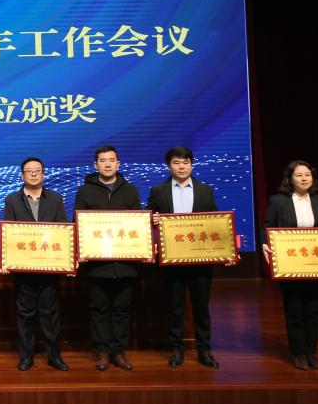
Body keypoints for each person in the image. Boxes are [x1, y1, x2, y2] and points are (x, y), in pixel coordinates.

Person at [262, 160, 318, 370]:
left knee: (314, 309)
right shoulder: (278, 201)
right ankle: (298, 352)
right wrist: (264, 243)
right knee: (294, 309)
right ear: (290, 179)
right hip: (290, 264)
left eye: (308, 175)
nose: (304, 179)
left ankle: (312, 352)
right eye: (299, 175)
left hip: (317, 264)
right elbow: (267, 226)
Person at [146, 146, 222, 369]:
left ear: (191, 164)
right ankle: (177, 350)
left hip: (200, 260)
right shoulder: (158, 191)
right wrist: (153, 219)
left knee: (201, 308)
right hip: (171, 261)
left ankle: (204, 350)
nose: (182, 167)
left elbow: (215, 222)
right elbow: (147, 217)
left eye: (186, 162)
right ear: (169, 166)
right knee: (175, 307)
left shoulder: (205, 190)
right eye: (177, 163)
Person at [73, 145, 142, 371]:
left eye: (111, 160)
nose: (107, 164)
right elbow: (78, 225)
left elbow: (138, 225)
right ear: (96, 165)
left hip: (125, 263)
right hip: (97, 265)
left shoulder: (130, 190)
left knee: (122, 309)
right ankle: (102, 352)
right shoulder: (85, 191)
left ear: (118, 164)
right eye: (103, 161)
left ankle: (118, 352)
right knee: (99, 309)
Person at [0, 156, 70, 372]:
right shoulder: (12, 200)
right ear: (22, 175)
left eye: (37, 171)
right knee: (25, 315)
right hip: (23, 270)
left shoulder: (55, 199)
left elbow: (64, 230)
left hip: (49, 269)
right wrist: (6, 260)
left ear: (43, 174)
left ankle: (54, 356)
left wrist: (67, 260)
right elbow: (7, 233)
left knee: (50, 315)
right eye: (29, 171)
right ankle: (26, 356)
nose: (33, 174)